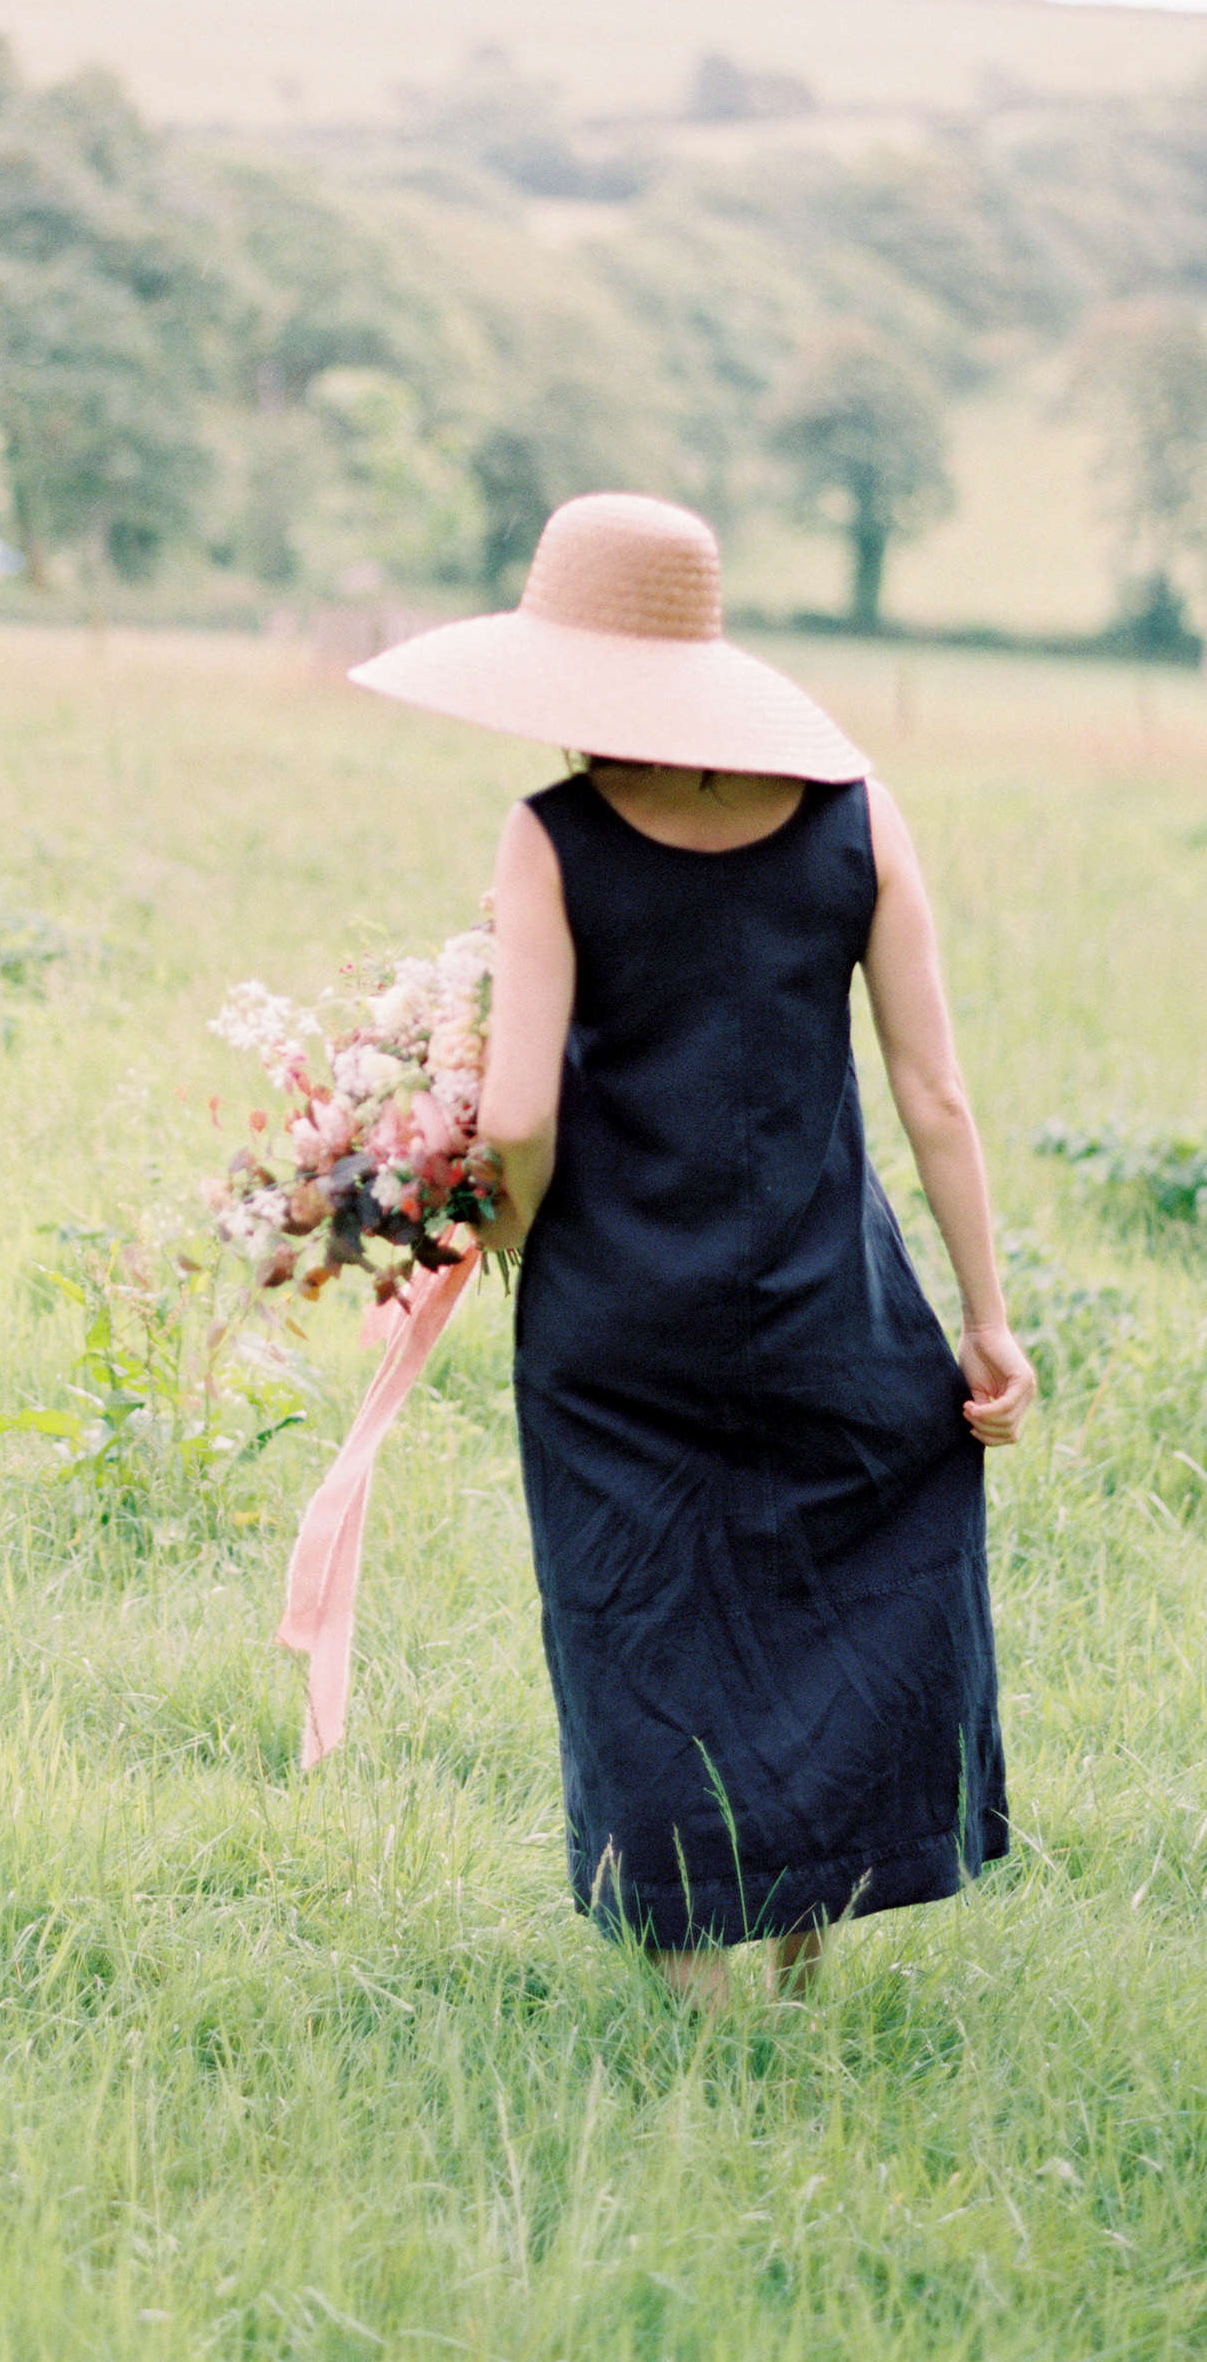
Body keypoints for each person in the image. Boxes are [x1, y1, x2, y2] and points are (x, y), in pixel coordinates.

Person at [348, 492, 1035, 2004]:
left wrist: (515, 1238)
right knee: (829, 1601)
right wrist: (986, 1322)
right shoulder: (857, 812)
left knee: (635, 1616)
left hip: (614, 1311)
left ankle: (692, 2000)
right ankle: (799, 1966)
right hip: (826, 1303)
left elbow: (518, 1112)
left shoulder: (553, 838)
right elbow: (934, 1089)